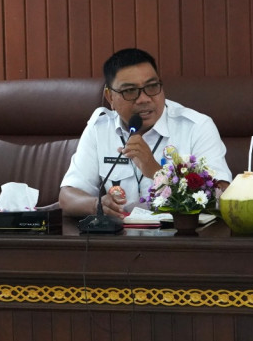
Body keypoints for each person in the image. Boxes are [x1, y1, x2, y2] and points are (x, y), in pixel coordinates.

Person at [59, 48, 231, 220]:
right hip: (121, 234)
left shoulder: (196, 127)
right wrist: (97, 205)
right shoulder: (100, 129)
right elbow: (68, 196)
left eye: (152, 86)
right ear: (110, 97)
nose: (144, 99)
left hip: (180, 233)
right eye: (130, 91)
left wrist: (157, 173)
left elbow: (222, 196)